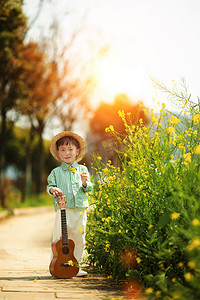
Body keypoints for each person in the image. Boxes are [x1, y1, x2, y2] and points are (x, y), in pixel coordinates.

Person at [47, 131, 93, 277]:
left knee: (79, 237)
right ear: (58, 153)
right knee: (59, 238)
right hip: (62, 210)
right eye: (63, 150)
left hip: (79, 209)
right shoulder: (55, 172)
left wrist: (85, 182)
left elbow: (89, 188)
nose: (67, 153)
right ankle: (56, 264)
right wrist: (53, 189)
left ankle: (76, 266)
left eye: (70, 149)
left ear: (77, 152)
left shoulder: (83, 170)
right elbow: (49, 186)